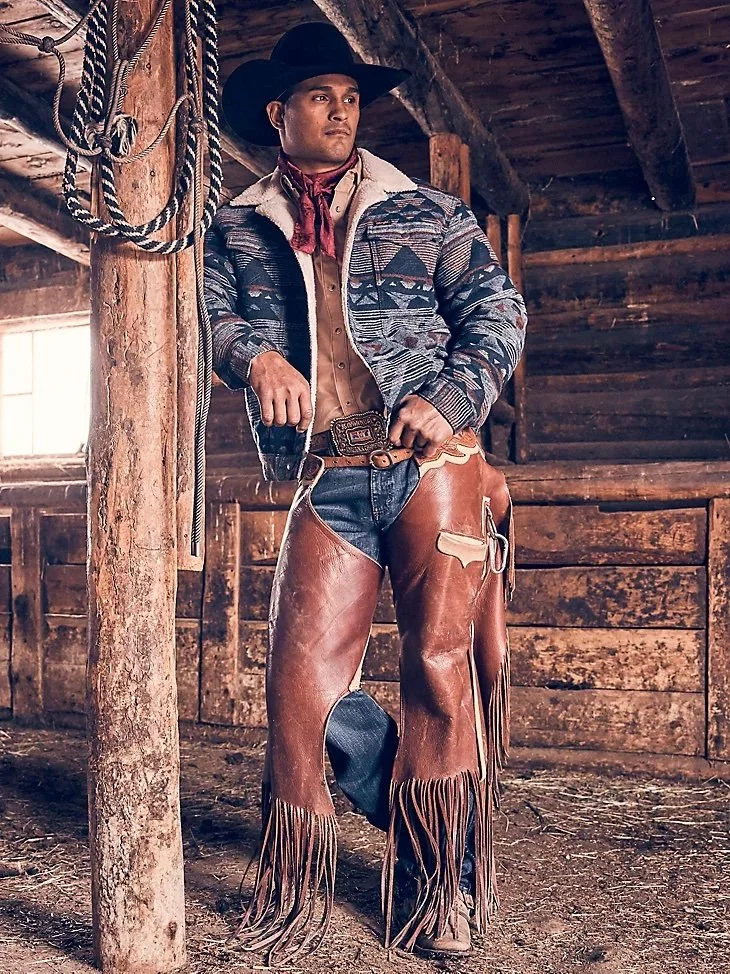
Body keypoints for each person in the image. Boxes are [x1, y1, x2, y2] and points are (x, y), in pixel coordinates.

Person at [204, 21, 526, 965]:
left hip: (428, 462)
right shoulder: (238, 223)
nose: (341, 112)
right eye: (319, 97)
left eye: (350, 98)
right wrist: (254, 356)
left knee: (438, 668)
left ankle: (447, 893)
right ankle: (365, 847)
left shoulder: (423, 210)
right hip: (326, 470)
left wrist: (451, 396)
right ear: (279, 112)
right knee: (302, 688)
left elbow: (497, 312)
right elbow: (213, 320)